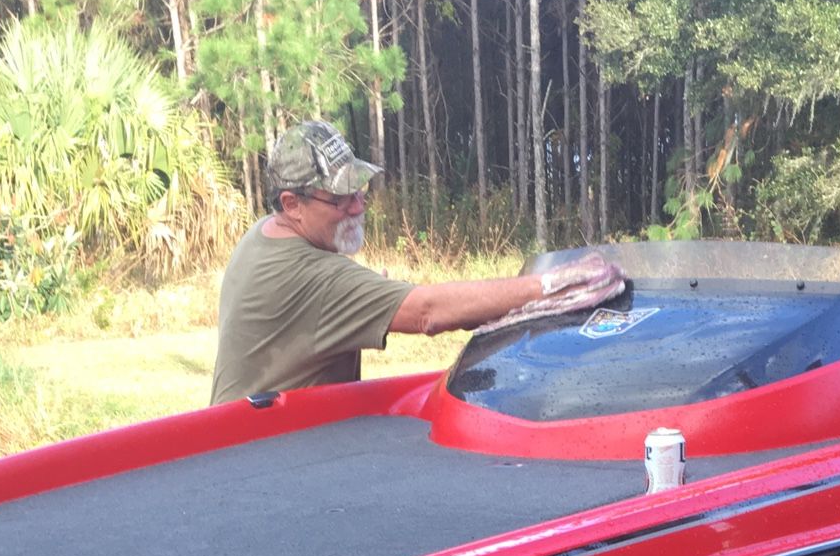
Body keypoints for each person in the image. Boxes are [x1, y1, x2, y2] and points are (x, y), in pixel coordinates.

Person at [210, 119, 624, 405]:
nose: (359, 205)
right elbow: (429, 313)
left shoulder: (265, 234)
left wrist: (364, 295)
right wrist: (553, 285)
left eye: (360, 188)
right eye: (340, 198)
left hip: (247, 446)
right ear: (291, 204)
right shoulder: (310, 276)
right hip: (261, 457)